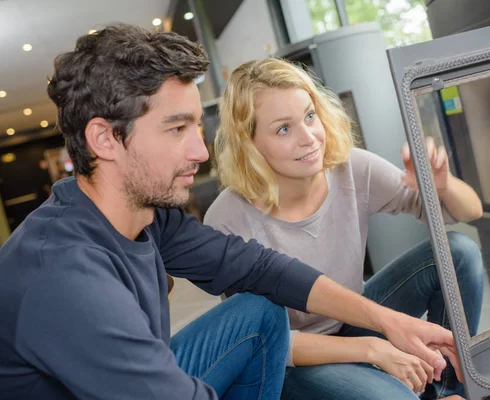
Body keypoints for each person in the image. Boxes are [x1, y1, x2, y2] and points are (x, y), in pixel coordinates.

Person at [0, 25, 464, 400]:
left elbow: (260, 268)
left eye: (196, 126)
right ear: (105, 139)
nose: (201, 151)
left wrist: (388, 322)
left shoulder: (145, 216)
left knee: (259, 307)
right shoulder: (62, 275)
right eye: (176, 128)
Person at [204, 57, 485, 400]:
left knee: (460, 252)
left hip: (355, 319)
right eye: (283, 128)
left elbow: (469, 211)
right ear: (250, 144)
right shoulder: (227, 219)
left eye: (310, 116)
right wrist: (370, 349)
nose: (308, 138)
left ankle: (444, 391)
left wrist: (441, 184)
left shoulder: (350, 168)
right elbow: (260, 339)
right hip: (292, 360)